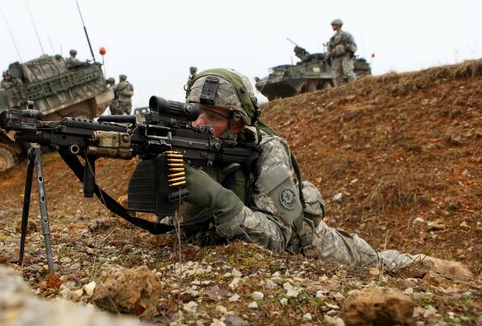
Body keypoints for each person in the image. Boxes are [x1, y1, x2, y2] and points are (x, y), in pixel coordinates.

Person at [168, 68, 453, 270]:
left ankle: (432, 265)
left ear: (239, 122)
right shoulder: (191, 145)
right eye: (194, 112)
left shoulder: (267, 150)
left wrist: (220, 201)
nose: (199, 123)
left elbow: (277, 238)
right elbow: (175, 226)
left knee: (380, 263)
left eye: (213, 116)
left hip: (309, 245)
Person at [326, 19, 357, 86]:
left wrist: (350, 50)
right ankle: (343, 89)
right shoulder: (332, 38)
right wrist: (328, 56)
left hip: (346, 55)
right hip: (336, 57)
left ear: (338, 25)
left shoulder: (346, 35)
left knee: (348, 72)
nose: (332, 27)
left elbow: (353, 45)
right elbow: (329, 49)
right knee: (337, 76)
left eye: (334, 25)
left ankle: (354, 86)